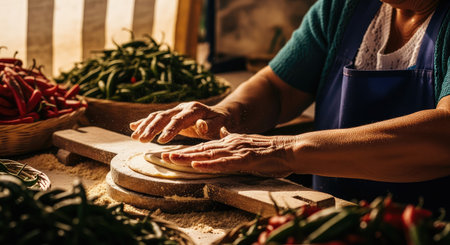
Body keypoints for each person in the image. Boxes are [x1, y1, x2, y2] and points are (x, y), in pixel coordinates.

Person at [130, 0, 450, 211]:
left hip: (426, 227)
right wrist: (226, 114)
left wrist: (284, 150)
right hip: (330, 220)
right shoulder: (344, 7)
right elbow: (277, 88)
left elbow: (443, 136)